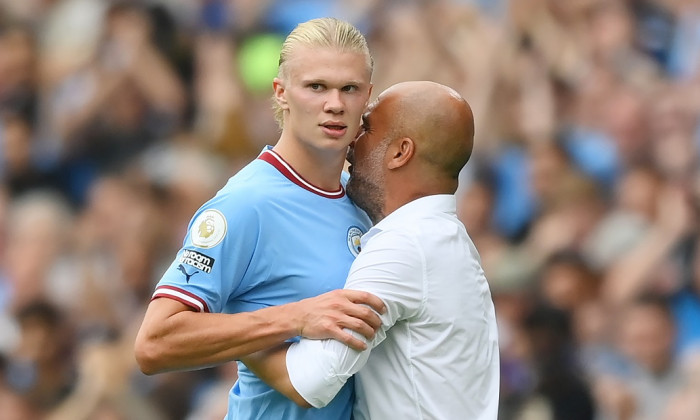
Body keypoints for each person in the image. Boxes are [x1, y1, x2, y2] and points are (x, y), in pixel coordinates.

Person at [134, 18, 386, 420]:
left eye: (349, 88)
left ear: (367, 98)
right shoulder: (246, 203)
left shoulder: (365, 197)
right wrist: (296, 317)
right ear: (281, 92)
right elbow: (154, 343)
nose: (335, 103)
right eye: (316, 86)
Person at [243, 81, 500, 419]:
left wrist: (238, 316)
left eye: (366, 128)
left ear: (400, 152)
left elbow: (309, 382)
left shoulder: (404, 245)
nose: (351, 140)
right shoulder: (441, 239)